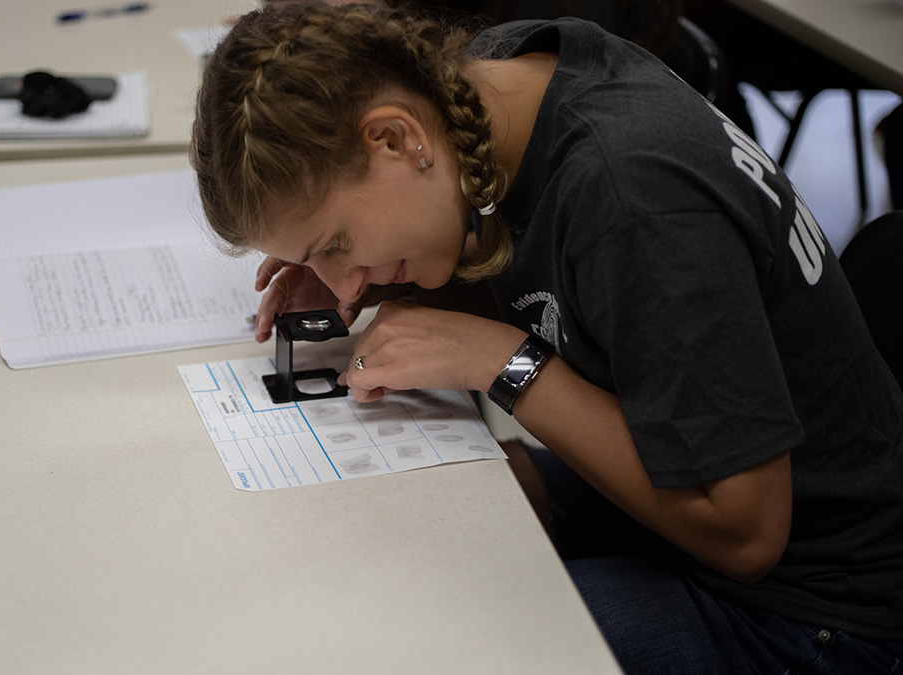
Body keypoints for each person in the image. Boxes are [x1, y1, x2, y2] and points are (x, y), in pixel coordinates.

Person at [189, 3, 903, 673]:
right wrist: (385, 278)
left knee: (436, 642)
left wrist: (505, 362)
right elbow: (544, 269)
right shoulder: (497, 85)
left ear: (395, 136)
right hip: (670, 456)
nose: (340, 286)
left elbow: (747, 534)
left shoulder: (633, 195)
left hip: (812, 605)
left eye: (335, 244)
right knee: (428, 521)